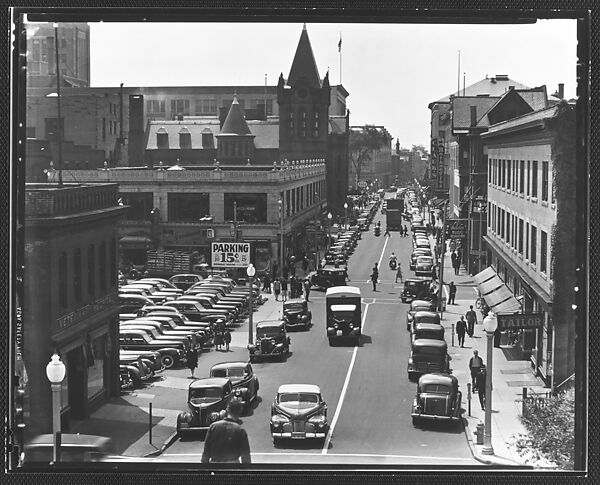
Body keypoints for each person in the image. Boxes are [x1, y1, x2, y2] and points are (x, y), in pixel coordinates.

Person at [201, 398, 251, 464]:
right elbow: (245, 457)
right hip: (233, 467)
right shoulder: (240, 430)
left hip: (214, 466)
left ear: (227, 410)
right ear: (240, 411)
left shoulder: (213, 427)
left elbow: (206, 453)